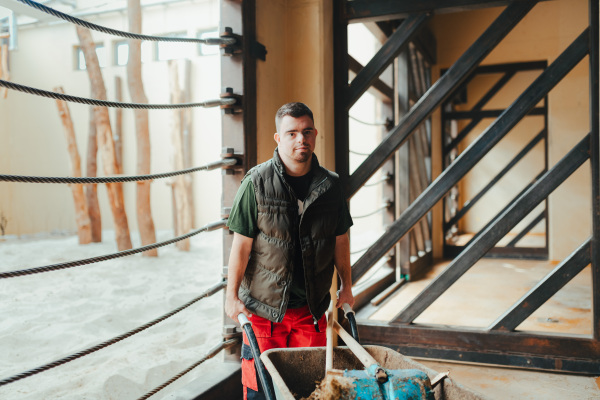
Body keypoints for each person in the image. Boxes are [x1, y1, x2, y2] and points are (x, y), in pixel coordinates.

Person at [224, 102, 354, 400]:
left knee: (310, 389)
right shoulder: (255, 183)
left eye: (307, 132)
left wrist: (347, 287)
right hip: (262, 312)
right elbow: (241, 246)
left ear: (315, 134)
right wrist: (231, 296)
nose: (301, 139)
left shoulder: (331, 187)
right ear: (278, 138)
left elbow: (340, 241)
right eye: (292, 132)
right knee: (260, 390)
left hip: (311, 311)